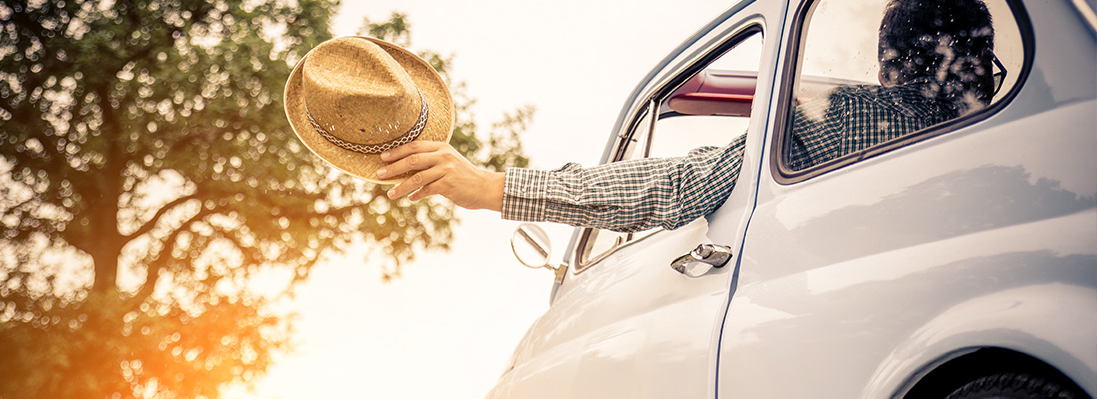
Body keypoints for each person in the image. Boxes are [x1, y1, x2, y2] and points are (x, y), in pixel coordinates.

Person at [375, 0, 996, 232]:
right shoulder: (1010, 152)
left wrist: (494, 188)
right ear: (984, 66)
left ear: (888, 67)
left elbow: (682, 186)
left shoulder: (841, 114)